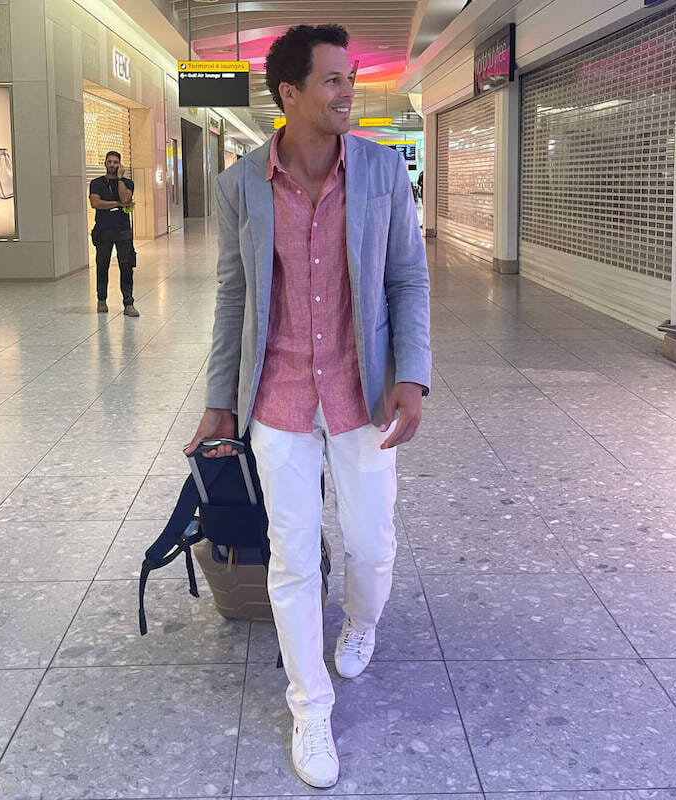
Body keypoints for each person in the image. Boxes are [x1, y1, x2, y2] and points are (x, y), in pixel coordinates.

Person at [186, 24, 431, 789]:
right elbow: (234, 297)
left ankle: (360, 622)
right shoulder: (241, 187)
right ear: (288, 94)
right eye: (331, 80)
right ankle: (309, 705)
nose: (347, 90)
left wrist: (413, 376)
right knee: (293, 561)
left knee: (369, 543)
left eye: (349, 77)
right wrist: (220, 402)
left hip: (362, 395)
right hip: (280, 397)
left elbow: (407, 281)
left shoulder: (384, 176)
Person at [88, 150, 139, 316]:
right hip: (103, 230)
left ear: (120, 164)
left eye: (115, 162)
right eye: (109, 162)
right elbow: (95, 203)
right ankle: (101, 299)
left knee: (126, 265)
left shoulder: (128, 183)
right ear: (104, 163)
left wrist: (120, 179)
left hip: (123, 230)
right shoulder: (96, 183)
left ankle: (128, 303)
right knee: (102, 264)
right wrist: (116, 203)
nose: (112, 165)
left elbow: (126, 199)